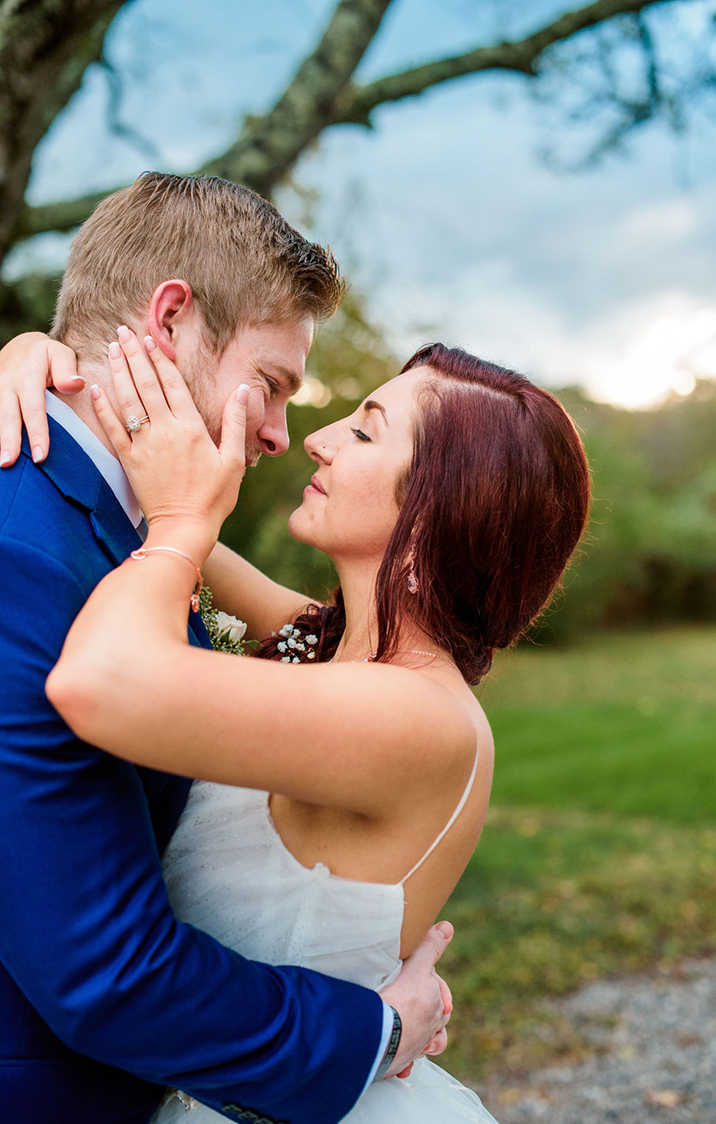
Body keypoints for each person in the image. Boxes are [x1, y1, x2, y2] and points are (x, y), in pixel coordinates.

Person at [1, 325, 590, 1121]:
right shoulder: (327, 647)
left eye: (364, 429)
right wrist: (43, 363)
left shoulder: (417, 718)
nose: (316, 440)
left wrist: (181, 525)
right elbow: (132, 498)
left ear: (432, 518)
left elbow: (108, 672)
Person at [0, 172, 453, 1124]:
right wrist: (374, 1030)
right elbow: (104, 972)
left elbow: (261, 616)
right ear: (169, 323)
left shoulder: (137, 535)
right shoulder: (26, 551)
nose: (290, 435)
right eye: (275, 385)